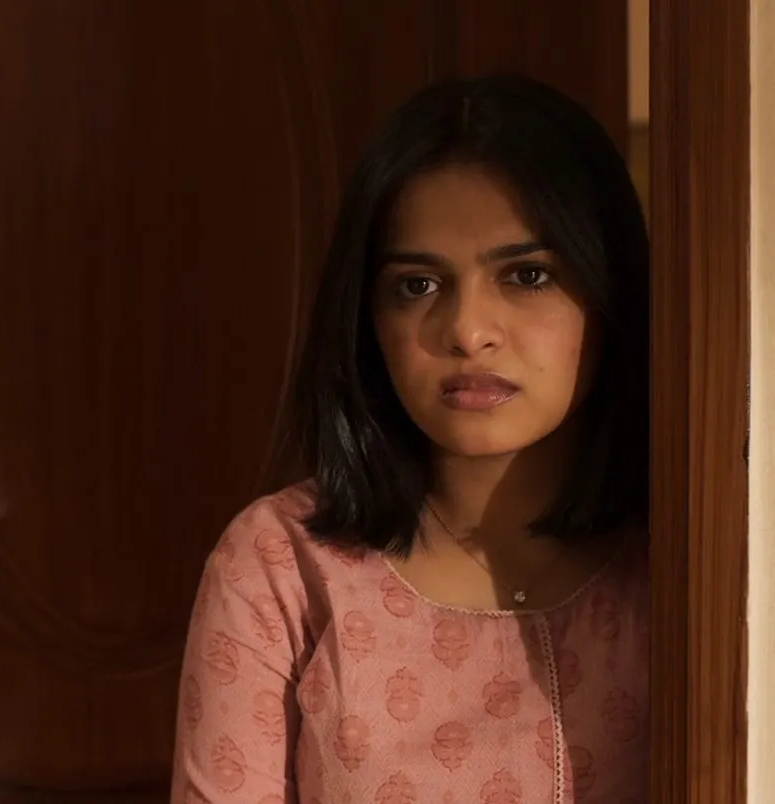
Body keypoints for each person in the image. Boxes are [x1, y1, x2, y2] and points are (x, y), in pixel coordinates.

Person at [170, 74, 650, 804]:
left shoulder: (687, 562)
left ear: (609, 290)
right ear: (368, 317)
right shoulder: (283, 566)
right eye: (418, 286)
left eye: (527, 275)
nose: (467, 331)